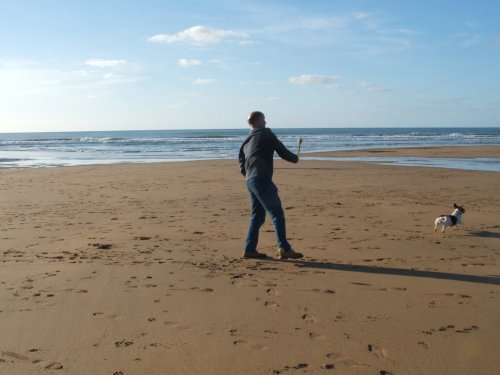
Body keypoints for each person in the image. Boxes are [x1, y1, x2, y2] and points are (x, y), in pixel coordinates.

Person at [239, 111, 304, 259]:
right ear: (256, 121)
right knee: (277, 213)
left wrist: (251, 177)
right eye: (263, 119)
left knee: (258, 216)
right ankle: (284, 248)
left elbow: (242, 164)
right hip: (261, 179)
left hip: (250, 181)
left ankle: (249, 250)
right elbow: (281, 150)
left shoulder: (246, 141)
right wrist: (295, 158)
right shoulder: (266, 133)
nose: (266, 122)